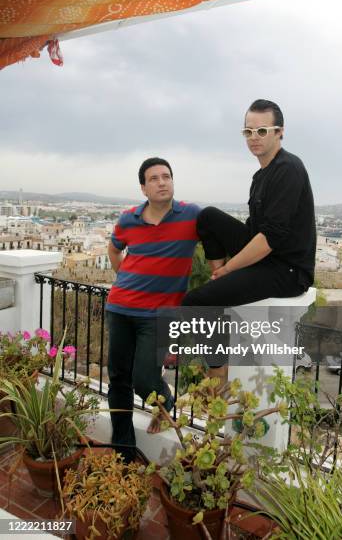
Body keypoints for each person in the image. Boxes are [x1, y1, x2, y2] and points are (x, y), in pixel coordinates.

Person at [105, 157, 200, 463]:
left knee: (145, 379)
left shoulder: (191, 215)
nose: (162, 182)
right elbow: (114, 248)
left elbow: (220, 239)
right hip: (121, 307)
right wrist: (126, 278)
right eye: (154, 178)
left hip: (160, 315)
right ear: (143, 187)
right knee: (118, 378)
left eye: (167, 176)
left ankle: (165, 400)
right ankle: (123, 447)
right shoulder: (129, 219)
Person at [182, 98, 316, 308]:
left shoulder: (288, 169)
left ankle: (219, 291)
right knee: (207, 216)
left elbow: (270, 238)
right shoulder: (261, 175)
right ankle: (216, 280)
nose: (254, 137)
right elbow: (254, 228)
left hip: (287, 270)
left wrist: (229, 269)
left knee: (194, 301)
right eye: (248, 132)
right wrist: (223, 274)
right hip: (266, 257)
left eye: (262, 131)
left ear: (279, 132)